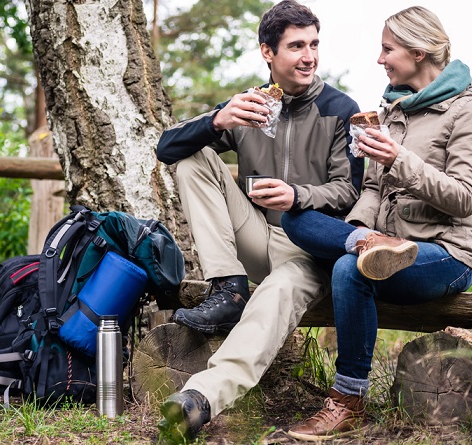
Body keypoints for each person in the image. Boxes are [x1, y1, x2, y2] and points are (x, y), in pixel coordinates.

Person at [281, 6, 472, 441]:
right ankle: (370, 244)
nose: (380, 60)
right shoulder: (394, 107)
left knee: (349, 269)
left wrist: (399, 158)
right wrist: (360, 231)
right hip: (387, 244)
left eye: (387, 49)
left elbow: (465, 197)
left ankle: (348, 401)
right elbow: (373, 190)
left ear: (418, 52)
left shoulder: (470, 112)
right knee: (295, 213)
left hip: (445, 252)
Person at [154, 1, 364, 442]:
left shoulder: (340, 109)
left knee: (278, 293)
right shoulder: (249, 105)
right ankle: (229, 285)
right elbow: (166, 148)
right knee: (194, 158)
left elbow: (350, 191)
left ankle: (199, 399)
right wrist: (218, 119)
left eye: (314, 44)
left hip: (308, 251)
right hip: (254, 238)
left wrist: (298, 195)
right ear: (267, 52)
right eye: (296, 46)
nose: (309, 56)